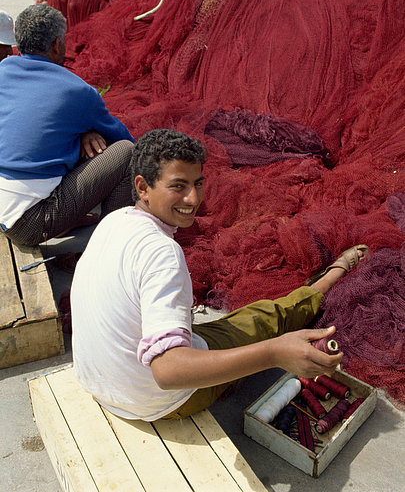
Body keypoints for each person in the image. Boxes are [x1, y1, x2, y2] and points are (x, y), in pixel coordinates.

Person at [71, 129, 367, 421]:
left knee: (210, 330)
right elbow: (168, 370)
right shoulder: (162, 252)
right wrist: (274, 354)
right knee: (262, 319)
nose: (192, 199)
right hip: (155, 402)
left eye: (197, 183)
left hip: (102, 384)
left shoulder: (114, 221)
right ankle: (332, 276)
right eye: (178, 186)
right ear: (143, 187)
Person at [0, 4, 135, 246]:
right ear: (56, 44)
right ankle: (111, 244)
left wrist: (83, 132)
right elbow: (123, 139)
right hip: (26, 223)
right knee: (126, 153)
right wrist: (88, 129)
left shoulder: (2, 71)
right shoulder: (78, 90)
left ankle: (68, 219)